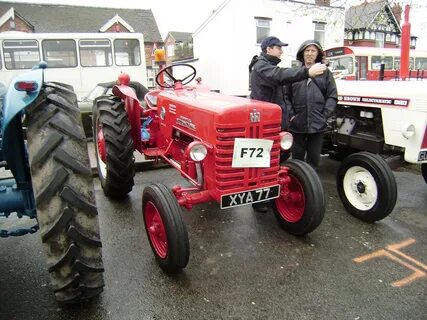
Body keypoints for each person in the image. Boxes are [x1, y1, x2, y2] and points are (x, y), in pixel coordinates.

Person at [249, 36, 327, 213]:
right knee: (263, 163)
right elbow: (280, 76)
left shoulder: (270, 67)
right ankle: (259, 200)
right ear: (268, 49)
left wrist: (289, 117)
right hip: (264, 126)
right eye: (278, 47)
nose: (281, 51)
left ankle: (271, 195)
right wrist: (306, 72)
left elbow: (284, 93)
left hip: (278, 125)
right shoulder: (261, 66)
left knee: (278, 160)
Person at [285, 40, 337, 170]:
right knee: (297, 159)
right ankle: (297, 185)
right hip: (298, 124)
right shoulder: (294, 72)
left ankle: (311, 187)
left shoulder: (325, 73)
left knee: (314, 159)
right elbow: (286, 96)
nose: (309, 54)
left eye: (313, 51)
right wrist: (292, 115)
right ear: (302, 54)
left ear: (317, 54)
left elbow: (332, 96)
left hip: (317, 124)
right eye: (307, 51)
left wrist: (324, 115)